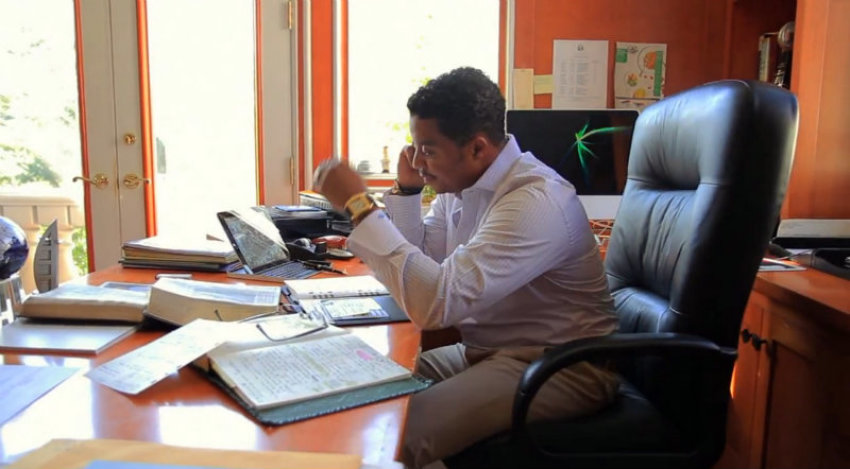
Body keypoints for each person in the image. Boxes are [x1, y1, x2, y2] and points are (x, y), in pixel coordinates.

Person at [313, 67, 619, 469]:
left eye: (429, 150)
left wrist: (359, 206)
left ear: (476, 148)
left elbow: (435, 302)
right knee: (354, 391)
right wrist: (407, 191)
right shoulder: (462, 188)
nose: (417, 161)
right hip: (488, 353)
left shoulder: (535, 201)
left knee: (391, 433)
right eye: (415, 146)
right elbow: (422, 262)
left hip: (559, 368)